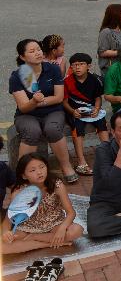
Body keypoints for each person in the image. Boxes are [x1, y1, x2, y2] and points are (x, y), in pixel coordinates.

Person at [10, 39, 77, 183]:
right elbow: (23, 107)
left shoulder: (52, 69)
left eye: (39, 49)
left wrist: (39, 102)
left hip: (53, 111)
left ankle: (66, 167)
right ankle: (24, 174)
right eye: (32, 51)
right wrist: (33, 102)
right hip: (26, 115)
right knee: (32, 131)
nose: (38, 53)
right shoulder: (17, 76)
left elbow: (59, 97)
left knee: (53, 128)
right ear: (22, 57)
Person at [1, 154, 83, 255]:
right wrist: (5, 232)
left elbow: (71, 213)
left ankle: (33, 240)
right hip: (28, 228)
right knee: (2, 246)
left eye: (42, 167)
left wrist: (62, 229)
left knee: (76, 230)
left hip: (54, 224)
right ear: (24, 175)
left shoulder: (56, 185)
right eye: (32, 170)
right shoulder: (19, 192)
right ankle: (47, 244)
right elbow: (7, 221)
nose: (39, 172)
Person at [63, 53, 108, 176]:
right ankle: (81, 162)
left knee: (102, 125)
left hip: (91, 109)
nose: (77, 67)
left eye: (81, 64)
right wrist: (73, 111)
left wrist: (97, 108)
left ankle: (108, 155)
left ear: (89, 66)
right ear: (71, 67)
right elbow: (64, 102)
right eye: (74, 65)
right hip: (74, 111)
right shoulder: (67, 82)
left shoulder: (96, 79)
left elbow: (98, 97)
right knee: (77, 129)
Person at [97, 3, 121, 75]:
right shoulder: (106, 32)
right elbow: (102, 52)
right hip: (110, 70)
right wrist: (120, 52)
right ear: (116, 15)